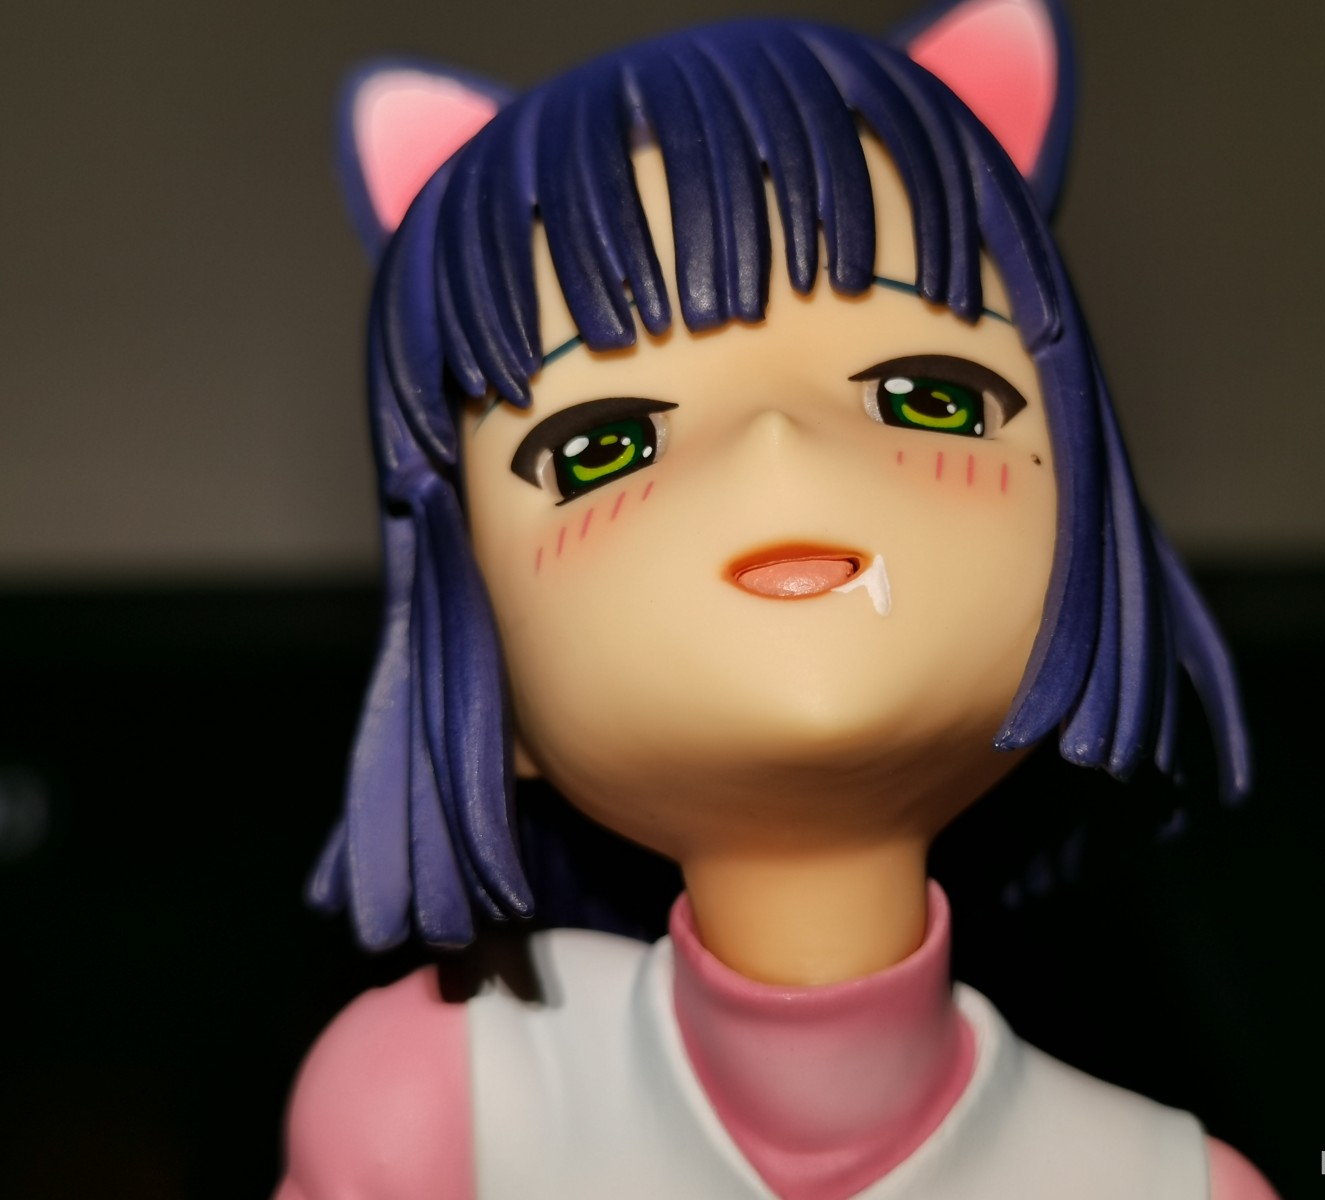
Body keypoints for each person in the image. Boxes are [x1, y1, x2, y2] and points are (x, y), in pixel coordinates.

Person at [277, 3, 1273, 1196]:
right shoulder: (430, 1108)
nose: (774, 449)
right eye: (599, 449)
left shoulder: (1170, 1184)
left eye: (929, 397)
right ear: (470, 648)